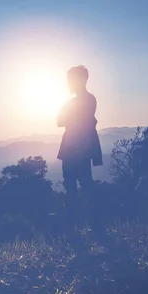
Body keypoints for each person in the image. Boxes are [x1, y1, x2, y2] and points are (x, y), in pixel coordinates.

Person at [57, 65, 103, 196]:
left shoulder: (84, 100)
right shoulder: (86, 99)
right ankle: (88, 213)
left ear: (80, 80)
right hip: (78, 147)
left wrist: (68, 118)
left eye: (70, 80)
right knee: (79, 183)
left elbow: (63, 120)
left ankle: (84, 214)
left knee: (78, 183)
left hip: (77, 147)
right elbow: (60, 121)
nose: (68, 84)